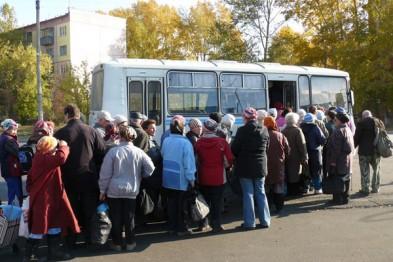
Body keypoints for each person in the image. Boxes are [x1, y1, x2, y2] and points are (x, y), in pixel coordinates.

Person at [54, 104, 106, 245]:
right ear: (78, 114)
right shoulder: (91, 131)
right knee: (89, 210)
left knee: (71, 210)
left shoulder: (60, 133)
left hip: (68, 178)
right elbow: (102, 152)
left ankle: (71, 241)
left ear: (67, 115)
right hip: (89, 177)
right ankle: (90, 239)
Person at [99, 126, 154, 251]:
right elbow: (151, 168)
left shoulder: (113, 152)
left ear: (121, 136)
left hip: (114, 190)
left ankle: (117, 243)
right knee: (129, 217)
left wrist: (103, 190)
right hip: (132, 189)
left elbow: (105, 174)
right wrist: (142, 176)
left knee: (115, 217)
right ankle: (130, 243)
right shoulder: (139, 152)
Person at [25, 136, 80, 261]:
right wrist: (64, 145)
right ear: (49, 148)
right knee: (39, 227)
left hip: (49, 197)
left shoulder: (40, 157)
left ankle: (52, 253)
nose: (55, 149)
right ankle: (29, 256)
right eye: (54, 147)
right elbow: (61, 158)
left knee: (53, 224)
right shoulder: (45, 159)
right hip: (44, 198)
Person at [231, 107, 271, 230]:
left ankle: (249, 223)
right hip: (260, 166)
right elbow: (267, 147)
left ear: (245, 118)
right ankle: (265, 221)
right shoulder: (264, 129)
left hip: (245, 167)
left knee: (248, 194)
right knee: (261, 192)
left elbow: (234, 148)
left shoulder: (242, 130)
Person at [195, 119, 233, 233]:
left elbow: (196, 159)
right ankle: (216, 225)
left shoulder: (198, 142)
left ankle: (203, 224)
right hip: (219, 177)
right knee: (217, 202)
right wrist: (227, 167)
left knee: (204, 201)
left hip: (203, 176)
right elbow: (229, 159)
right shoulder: (222, 142)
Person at [161, 115, 196, 236]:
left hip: (167, 178)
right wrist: (191, 179)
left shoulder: (166, 140)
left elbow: (162, 154)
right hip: (181, 179)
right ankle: (182, 228)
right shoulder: (185, 143)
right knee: (182, 206)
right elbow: (189, 164)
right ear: (183, 129)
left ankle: (172, 226)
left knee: (171, 204)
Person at [326, 111, 354, 204]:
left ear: (339, 120)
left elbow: (336, 149)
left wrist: (333, 161)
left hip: (339, 160)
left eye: (335, 120)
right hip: (347, 159)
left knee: (337, 178)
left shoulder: (338, 131)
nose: (334, 121)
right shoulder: (348, 129)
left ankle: (337, 199)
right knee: (346, 178)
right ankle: (345, 198)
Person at [354, 110, 384, 195]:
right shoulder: (378, 122)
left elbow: (357, 137)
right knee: (376, 170)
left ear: (363, 116)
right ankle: (375, 188)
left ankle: (365, 189)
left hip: (364, 151)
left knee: (364, 171)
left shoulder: (361, 123)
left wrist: (353, 148)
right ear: (371, 115)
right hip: (376, 151)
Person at [264, 117, 290, 213]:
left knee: (267, 186)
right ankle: (279, 207)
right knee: (279, 186)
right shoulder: (280, 135)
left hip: (266, 164)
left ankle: (268, 206)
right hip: (279, 164)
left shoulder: (263, 135)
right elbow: (287, 150)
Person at [282, 113, 308, 196]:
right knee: (296, 174)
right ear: (295, 120)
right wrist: (304, 156)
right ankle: (295, 191)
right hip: (296, 156)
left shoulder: (283, 131)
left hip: (286, 156)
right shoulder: (297, 131)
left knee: (288, 173)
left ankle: (289, 191)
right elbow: (302, 145)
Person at [300, 113, 326, 194]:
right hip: (315, 152)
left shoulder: (301, 128)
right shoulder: (315, 128)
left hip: (304, 152)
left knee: (306, 170)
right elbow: (323, 140)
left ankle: (306, 188)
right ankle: (317, 188)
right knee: (316, 170)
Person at [0, 119, 22, 206]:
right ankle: (15, 214)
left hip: (6, 169)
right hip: (12, 169)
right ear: (7, 129)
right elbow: (17, 153)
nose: (15, 131)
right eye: (13, 129)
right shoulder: (9, 140)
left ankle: (11, 213)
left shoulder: (3, 137)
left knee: (11, 191)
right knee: (16, 192)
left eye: (16, 129)